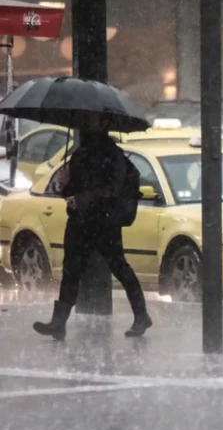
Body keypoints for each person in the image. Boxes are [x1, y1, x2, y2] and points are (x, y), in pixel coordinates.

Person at [33, 131, 152, 340]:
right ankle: (59, 322)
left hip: (104, 223)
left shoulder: (114, 157)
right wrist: (64, 185)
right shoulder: (80, 154)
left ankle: (141, 315)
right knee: (71, 270)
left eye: (92, 122)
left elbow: (112, 191)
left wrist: (82, 199)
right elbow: (74, 189)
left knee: (119, 267)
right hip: (80, 222)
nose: (87, 125)